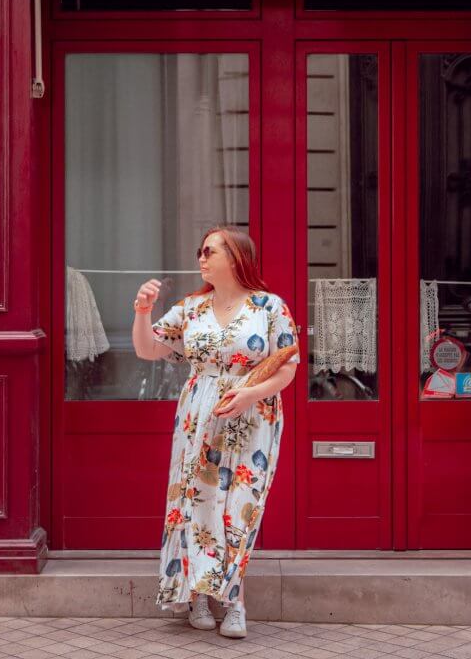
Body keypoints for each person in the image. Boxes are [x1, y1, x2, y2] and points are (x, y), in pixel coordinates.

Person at [132, 226, 299, 639]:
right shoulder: (191, 308)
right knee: (196, 501)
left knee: (240, 504)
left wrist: (250, 394)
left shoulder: (269, 306)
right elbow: (148, 349)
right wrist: (142, 311)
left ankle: (233, 598)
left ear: (237, 257)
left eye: (210, 251)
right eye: (199, 251)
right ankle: (198, 596)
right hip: (199, 414)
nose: (201, 258)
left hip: (254, 417)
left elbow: (288, 367)